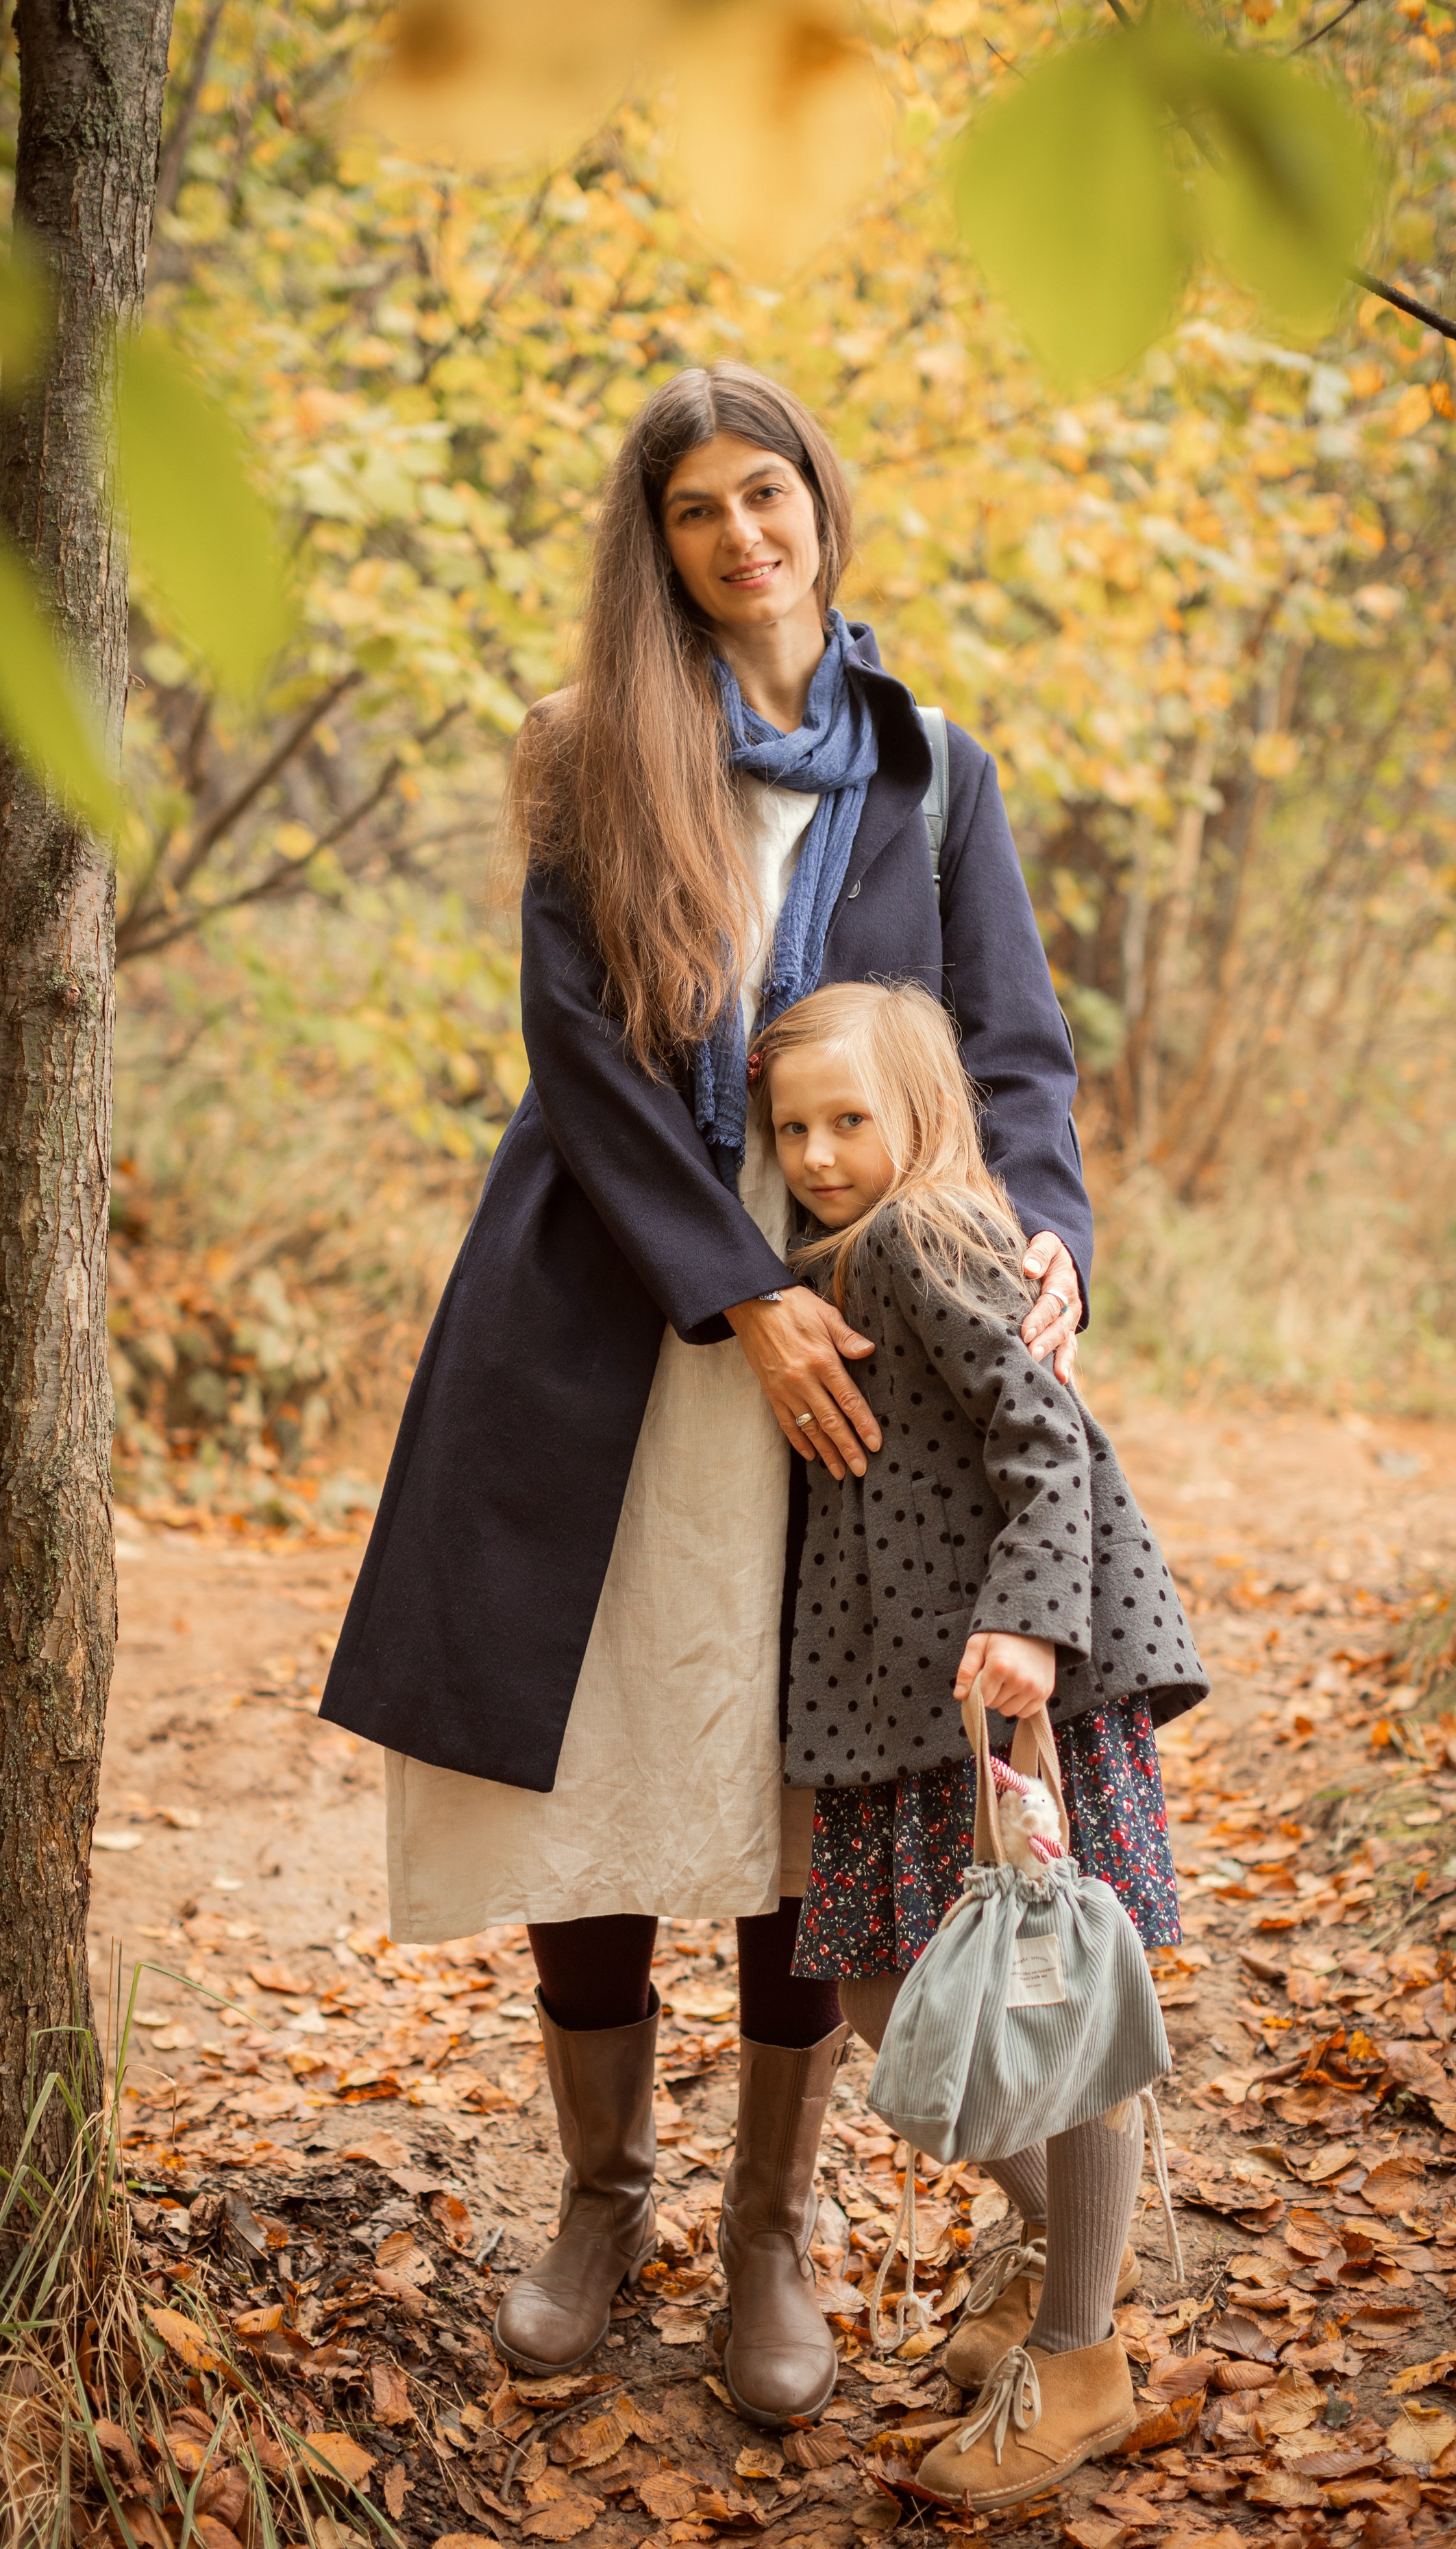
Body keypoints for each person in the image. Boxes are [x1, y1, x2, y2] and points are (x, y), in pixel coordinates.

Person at [317, 362, 1096, 2430]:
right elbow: (574, 1053)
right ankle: (599, 2202)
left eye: (768, 494)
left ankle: (770, 2225)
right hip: (615, 1301)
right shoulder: (587, 749)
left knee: (798, 1763)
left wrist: (1049, 1240)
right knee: (587, 1741)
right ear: (654, 546)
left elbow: (1010, 1049)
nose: (742, 537)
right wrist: (738, 1293)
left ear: (819, 503)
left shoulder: (930, 765)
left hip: (866, 1324)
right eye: (696, 510)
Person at [750, 978, 1207, 2507]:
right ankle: (1074, 2246)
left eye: (849, 1121)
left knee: (1046, 1996)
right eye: (792, 1129)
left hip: (1011, 1681)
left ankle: (1080, 2352)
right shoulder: (836, 1258)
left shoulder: (923, 1237)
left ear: (923, 1116)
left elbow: (1044, 1433)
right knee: (880, 1988)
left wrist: (1028, 1625)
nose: (818, 1155)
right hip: (908, 1698)